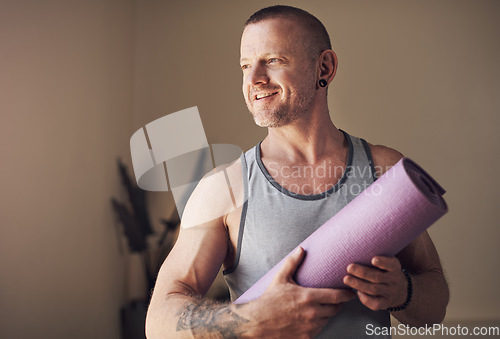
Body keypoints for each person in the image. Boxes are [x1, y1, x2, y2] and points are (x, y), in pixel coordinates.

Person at [145, 5, 449, 338]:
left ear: (325, 67)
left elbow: (434, 304)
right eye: (246, 66)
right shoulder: (224, 188)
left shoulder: (383, 169)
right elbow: (159, 322)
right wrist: (252, 319)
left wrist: (402, 292)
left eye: (273, 60)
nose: (254, 79)